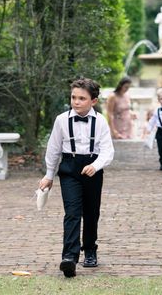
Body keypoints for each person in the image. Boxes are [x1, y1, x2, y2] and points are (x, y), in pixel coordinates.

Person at [38, 77, 114, 278]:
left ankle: (90, 250)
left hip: (92, 168)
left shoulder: (100, 122)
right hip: (69, 168)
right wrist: (49, 175)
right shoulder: (61, 120)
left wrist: (96, 165)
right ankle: (69, 257)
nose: (76, 102)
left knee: (91, 212)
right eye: (73, 97)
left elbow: (108, 151)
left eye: (82, 98)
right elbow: (53, 149)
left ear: (93, 101)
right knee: (72, 212)